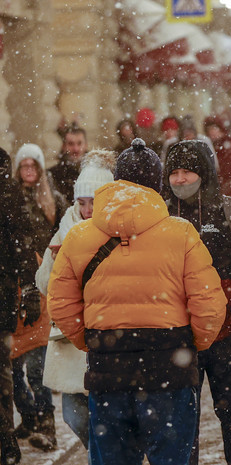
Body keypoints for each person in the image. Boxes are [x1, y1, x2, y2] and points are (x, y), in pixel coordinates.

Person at [47, 138, 227, 465]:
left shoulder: (79, 237)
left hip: (108, 372)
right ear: (158, 184)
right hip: (169, 369)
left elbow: (59, 303)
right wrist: (191, 344)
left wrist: (90, 341)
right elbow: (210, 304)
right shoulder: (181, 233)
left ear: (116, 180)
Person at [163, 140, 231, 465]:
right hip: (177, 335)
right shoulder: (159, 216)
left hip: (225, 334)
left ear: (203, 173)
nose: (180, 179)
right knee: (183, 416)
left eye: (187, 171)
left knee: (230, 408)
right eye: (174, 172)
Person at [36, 149, 117, 449]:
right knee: (73, 415)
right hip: (72, 340)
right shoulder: (65, 227)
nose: (85, 210)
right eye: (81, 202)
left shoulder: (119, 231)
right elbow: (43, 283)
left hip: (108, 338)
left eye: (93, 203)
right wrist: (58, 265)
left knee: (106, 418)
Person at [10, 143, 69, 452]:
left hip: (41, 282)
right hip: (15, 283)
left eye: (34, 165)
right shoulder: (9, 199)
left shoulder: (54, 200)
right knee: (12, 365)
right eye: (24, 166)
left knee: (36, 364)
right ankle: (30, 416)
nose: (29, 171)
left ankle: (45, 423)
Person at [0, 146, 41, 465]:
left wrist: (28, 290)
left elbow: (21, 244)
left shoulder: (6, 186)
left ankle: (5, 441)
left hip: (2, 296)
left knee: (5, 372)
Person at [49, 125, 88, 201]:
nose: (76, 149)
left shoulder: (96, 172)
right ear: (64, 146)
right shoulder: (53, 175)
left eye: (79, 143)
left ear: (86, 145)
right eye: (71, 144)